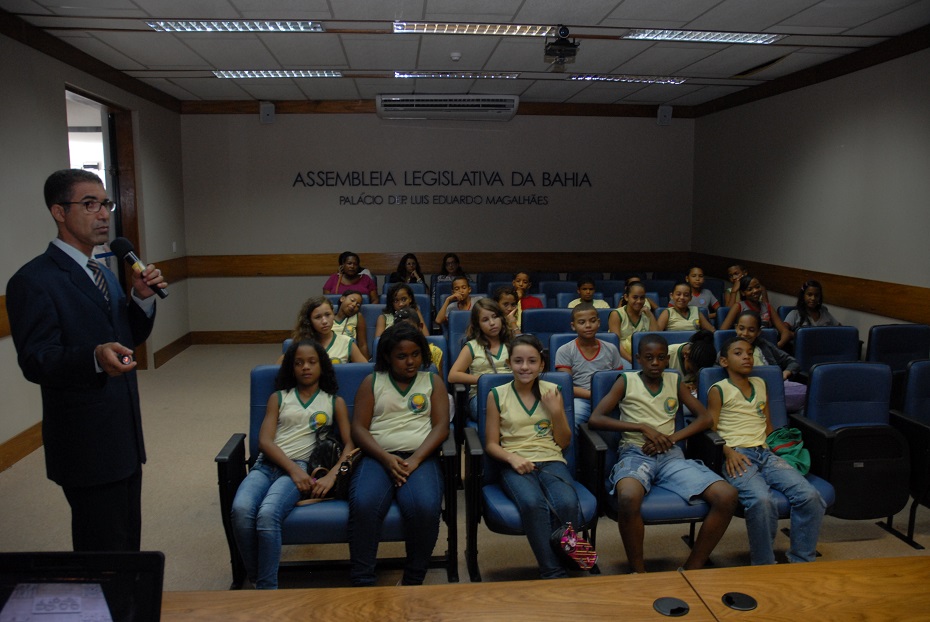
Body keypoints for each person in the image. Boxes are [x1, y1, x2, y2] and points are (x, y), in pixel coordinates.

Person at [6, 169, 166, 551]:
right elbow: (37, 360)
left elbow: (125, 341)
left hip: (123, 435)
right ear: (59, 212)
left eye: (105, 204)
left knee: (127, 543)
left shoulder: (105, 274)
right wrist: (93, 358)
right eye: (90, 204)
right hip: (85, 444)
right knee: (101, 550)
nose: (103, 214)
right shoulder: (33, 280)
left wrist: (140, 299)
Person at [588, 334, 737, 573]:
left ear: (668, 359)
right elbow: (596, 419)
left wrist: (672, 438)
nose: (655, 363)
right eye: (649, 358)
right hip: (636, 452)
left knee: (726, 495)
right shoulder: (626, 381)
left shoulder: (674, 381)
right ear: (638, 359)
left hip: (671, 454)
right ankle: (639, 572)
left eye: (660, 358)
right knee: (628, 496)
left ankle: (692, 568)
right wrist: (641, 427)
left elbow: (705, 418)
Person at [231, 339, 352, 589]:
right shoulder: (279, 397)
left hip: (301, 468)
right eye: (299, 363)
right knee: (240, 510)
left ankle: (266, 589)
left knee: (267, 514)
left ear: (322, 366)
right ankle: (257, 578)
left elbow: (351, 445)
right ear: (291, 367)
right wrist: (293, 470)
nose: (305, 367)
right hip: (268, 465)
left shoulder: (333, 401)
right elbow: (265, 441)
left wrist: (333, 475)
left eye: (312, 362)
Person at [708, 336, 826, 565]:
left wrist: (778, 452)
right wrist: (728, 452)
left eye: (749, 353)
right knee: (762, 501)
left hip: (765, 452)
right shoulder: (719, 389)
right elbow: (711, 431)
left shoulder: (761, 384)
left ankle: (802, 560)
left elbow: (768, 425)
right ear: (724, 361)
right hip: (737, 455)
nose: (746, 357)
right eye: (738, 353)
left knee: (810, 496)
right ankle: (764, 565)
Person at [349, 323, 449, 586]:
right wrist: (385, 458)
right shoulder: (372, 382)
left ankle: (413, 580)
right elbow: (358, 428)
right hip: (377, 456)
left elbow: (441, 427)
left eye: (415, 354)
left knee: (425, 508)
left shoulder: (433, 381)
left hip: (420, 457)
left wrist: (415, 460)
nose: (410, 361)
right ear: (387, 356)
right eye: (401, 356)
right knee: (364, 504)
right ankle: (362, 580)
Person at [485, 334, 584, 579]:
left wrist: (556, 412)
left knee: (567, 503)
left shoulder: (553, 392)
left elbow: (564, 442)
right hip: (514, 463)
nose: (525, 367)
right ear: (509, 363)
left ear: (541, 364)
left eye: (532, 361)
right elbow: (491, 444)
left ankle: (567, 562)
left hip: (551, 460)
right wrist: (512, 458)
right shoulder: (496, 394)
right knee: (532, 504)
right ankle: (553, 572)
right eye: (518, 361)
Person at [555, 303, 623, 426]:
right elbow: (567, 386)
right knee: (573, 419)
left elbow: (620, 380)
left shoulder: (611, 348)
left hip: (609, 399)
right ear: (573, 326)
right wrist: (595, 394)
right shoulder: (565, 350)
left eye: (592, 321)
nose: (588, 325)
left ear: (599, 322)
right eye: (582, 322)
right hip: (581, 400)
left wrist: (609, 398)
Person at [449, 298, 514, 422]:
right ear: (478, 324)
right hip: (482, 395)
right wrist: (485, 380)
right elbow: (453, 376)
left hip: (510, 392)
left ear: (501, 318)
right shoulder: (472, 346)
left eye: (495, 317)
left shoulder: (512, 344)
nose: (492, 323)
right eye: (485, 320)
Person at [733, 310, 806, 412]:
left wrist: (785, 373)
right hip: (744, 389)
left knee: (809, 393)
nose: (745, 333)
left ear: (758, 332)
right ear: (736, 328)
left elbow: (793, 362)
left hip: (772, 386)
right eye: (741, 328)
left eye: (751, 330)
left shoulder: (765, 346)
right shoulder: (728, 349)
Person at [719, 275, 793, 348]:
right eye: (750, 289)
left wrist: (777, 346)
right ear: (743, 293)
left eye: (757, 287)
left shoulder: (768, 307)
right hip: (744, 346)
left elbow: (785, 331)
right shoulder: (738, 307)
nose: (755, 291)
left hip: (766, 347)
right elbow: (722, 332)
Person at [290, 297, 366, 364]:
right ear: (309, 321)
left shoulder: (347, 342)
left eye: (327, 315)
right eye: (318, 317)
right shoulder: (300, 343)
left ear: (333, 314)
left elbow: (366, 370)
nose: (324, 321)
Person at [609, 280, 657, 364]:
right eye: (635, 297)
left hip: (644, 356)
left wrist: (650, 315)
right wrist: (632, 360)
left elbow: (656, 338)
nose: (639, 301)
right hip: (621, 356)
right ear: (626, 297)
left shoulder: (647, 315)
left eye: (642, 298)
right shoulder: (616, 314)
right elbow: (616, 343)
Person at [666, 329, 717, 395]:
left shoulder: (707, 358)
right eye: (691, 371)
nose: (693, 375)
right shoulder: (668, 354)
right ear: (686, 355)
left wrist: (696, 384)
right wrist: (680, 386)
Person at [333, 291, 369, 359]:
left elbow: (362, 344)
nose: (354, 305)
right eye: (352, 300)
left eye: (358, 305)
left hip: (349, 357)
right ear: (342, 299)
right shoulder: (329, 318)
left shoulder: (357, 317)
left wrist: (366, 364)